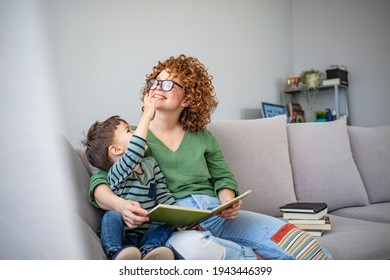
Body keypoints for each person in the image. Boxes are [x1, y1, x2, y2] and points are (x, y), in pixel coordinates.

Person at [88, 54, 333, 260]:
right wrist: (120, 206)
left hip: (215, 212)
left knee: (298, 241)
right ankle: (252, 258)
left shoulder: (202, 136)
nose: (157, 88)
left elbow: (223, 176)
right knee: (194, 247)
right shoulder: (133, 137)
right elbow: (100, 179)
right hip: (176, 223)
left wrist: (227, 201)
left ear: (187, 99)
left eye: (168, 84)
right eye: (155, 82)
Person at [83, 92, 176, 260]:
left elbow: (163, 195)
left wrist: (179, 218)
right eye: (128, 130)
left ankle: (151, 251)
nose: (134, 131)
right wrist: (147, 116)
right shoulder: (116, 172)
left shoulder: (151, 164)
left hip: (147, 232)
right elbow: (134, 150)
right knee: (111, 216)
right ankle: (115, 252)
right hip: (123, 235)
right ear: (117, 150)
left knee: (168, 222)